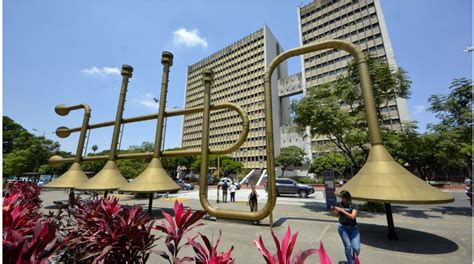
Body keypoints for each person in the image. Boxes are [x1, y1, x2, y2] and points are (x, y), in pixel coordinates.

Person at [331, 190, 360, 264]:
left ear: (347, 197)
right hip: (343, 228)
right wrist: (333, 210)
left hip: (354, 229)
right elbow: (337, 215)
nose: (341, 199)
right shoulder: (339, 204)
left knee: (356, 248)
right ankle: (351, 262)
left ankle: (352, 259)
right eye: (341, 197)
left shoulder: (354, 205)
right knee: (348, 246)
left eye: (342, 197)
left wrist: (341, 210)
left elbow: (352, 217)